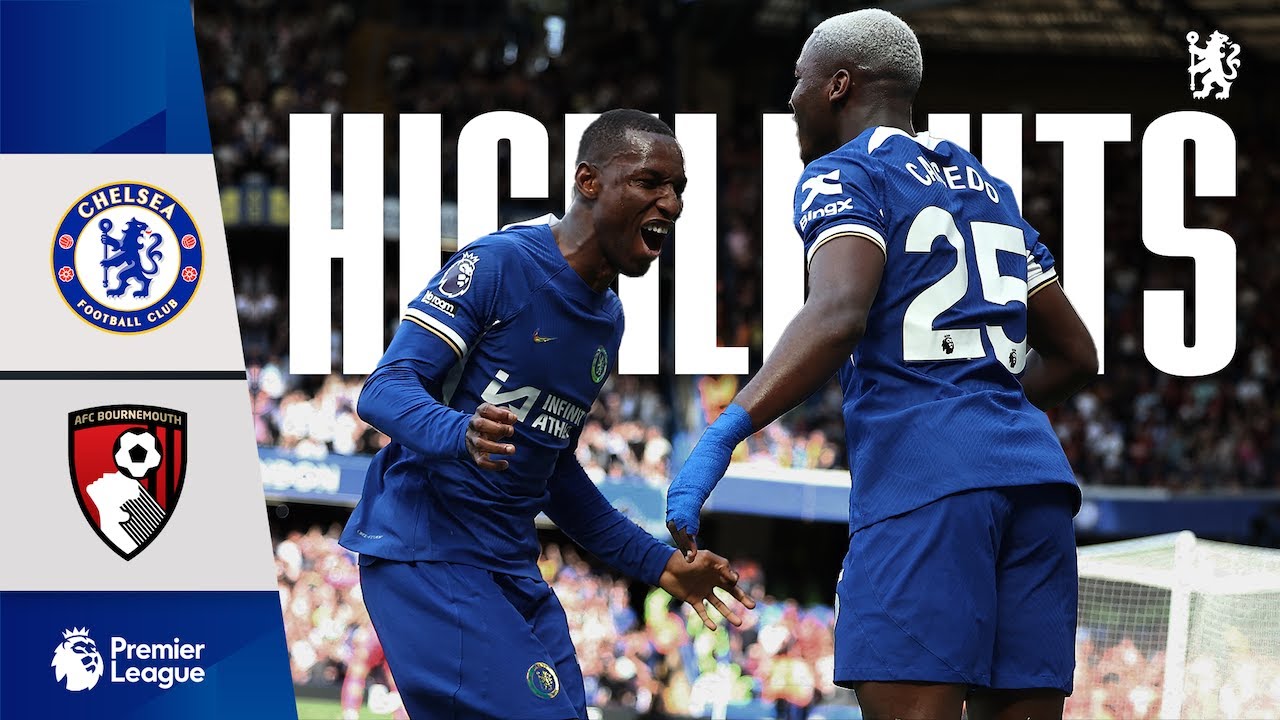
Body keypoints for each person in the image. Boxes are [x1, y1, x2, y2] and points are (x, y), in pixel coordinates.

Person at [666, 9, 1098, 720]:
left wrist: (724, 432)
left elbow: (839, 315)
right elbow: (1079, 356)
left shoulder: (847, 172)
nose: (790, 97)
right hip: (1038, 484)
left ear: (839, 85)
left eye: (798, 79)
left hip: (925, 483)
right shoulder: (986, 186)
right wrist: (982, 403)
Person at [340, 108, 755, 720]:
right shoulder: (501, 265)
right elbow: (385, 388)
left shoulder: (607, 320)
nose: (670, 202)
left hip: (510, 567)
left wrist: (658, 563)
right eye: (649, 182)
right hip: (428, 554)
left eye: (679, 189)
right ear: (589, 181)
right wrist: (461, 432)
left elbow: (553, 474)